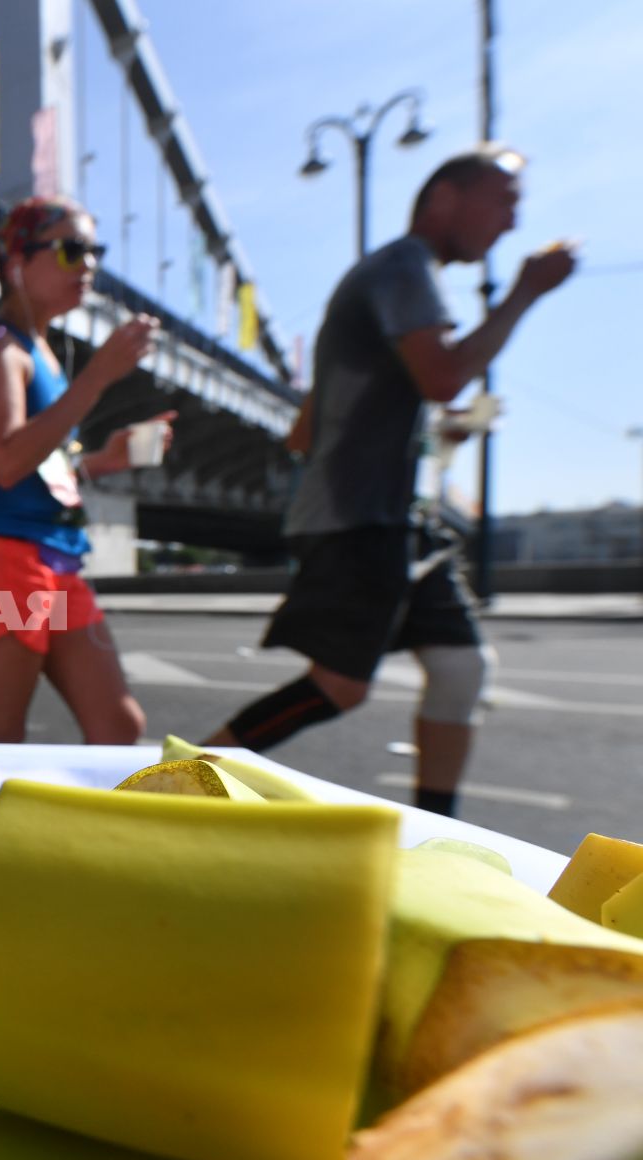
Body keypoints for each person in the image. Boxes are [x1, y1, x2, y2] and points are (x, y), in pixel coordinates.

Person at [204, 146, 575, 817]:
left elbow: (311, 427)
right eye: (504, 202)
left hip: (400, 522)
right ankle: (185, 775)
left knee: (463, 671)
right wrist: (525, 291)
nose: (512, 225)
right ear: (444, 200)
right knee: (340, 686)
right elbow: (443, 377)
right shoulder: (405, 268)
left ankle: (436, 833)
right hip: (358, 517)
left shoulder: (382, 278)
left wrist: (438, 433)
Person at [0, 195, 171, 743]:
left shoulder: (39, 353)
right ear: (16, 262)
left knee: (119, 724)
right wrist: (97, 377)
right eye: (72, 250)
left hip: (55, 558)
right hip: (1, 560)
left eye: (94, 251)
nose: (90, 265)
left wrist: (106, 459)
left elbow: (43, 470)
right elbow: (5, 464)